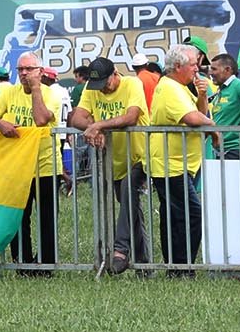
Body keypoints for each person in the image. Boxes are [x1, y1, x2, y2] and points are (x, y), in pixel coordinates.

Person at [0, 54, 61, 269]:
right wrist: (0, 124)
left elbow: (41, 119)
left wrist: (35, 89)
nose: (24, 73)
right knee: (18, 217)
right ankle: (22, 263)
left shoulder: (50, 94)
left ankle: (45, 264)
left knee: (47, 218)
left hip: (46, 166)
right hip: (18, 167)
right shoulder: (10, 93)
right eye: (20, 69)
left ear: (40, 72)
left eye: (29, 69)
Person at [70, 58, 147, 275]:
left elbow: (132, 116)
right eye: (98, 84)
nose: (103, 88)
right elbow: (77, 118)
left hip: (138, 155)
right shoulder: (91, 88)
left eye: (105, 82)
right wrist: (95, 128)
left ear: (115, 74)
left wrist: (98, 125)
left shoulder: (133, 84)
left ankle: (120, 250)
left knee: (127, 193)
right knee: (131, 211)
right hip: (112, 160)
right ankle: (144, 264)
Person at [143, 46, 213, 272]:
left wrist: (202, 95)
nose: (197, 69)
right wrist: (214, 129)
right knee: (190, 213)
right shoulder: (171, 88)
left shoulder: (182, 87)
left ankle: (178, 265)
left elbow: (201, 113)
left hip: (182, 164)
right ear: (179, 66)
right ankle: (183, 266)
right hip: (170, 164)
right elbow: (194, 119)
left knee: (174, 214)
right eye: (193, 65)